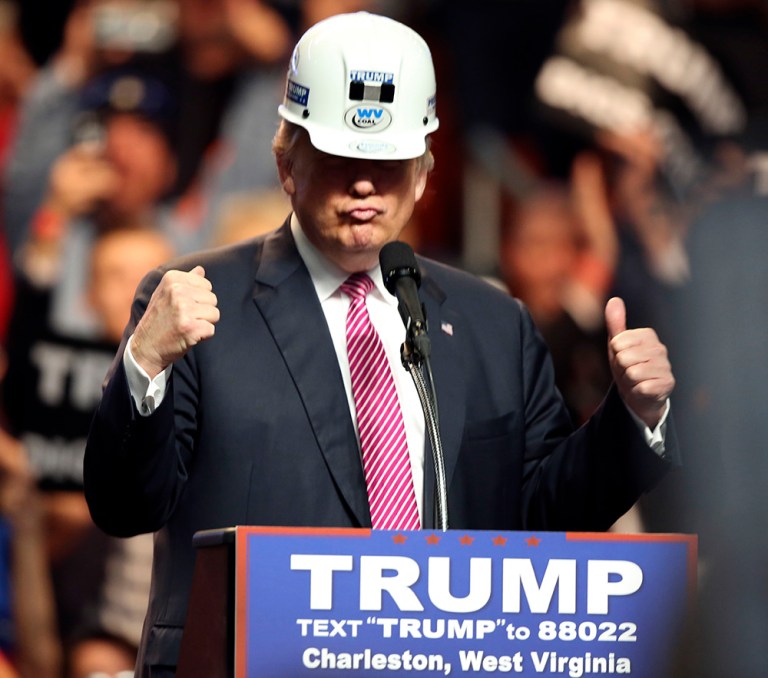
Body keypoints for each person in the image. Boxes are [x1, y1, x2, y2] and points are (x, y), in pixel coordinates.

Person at [84, 12, 679, 676]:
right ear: (287, 163)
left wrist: (635, 418)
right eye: (341, 157)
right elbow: (124, 504)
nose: (364, 183)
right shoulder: (197, 302)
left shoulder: (494, 323)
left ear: (423, 173)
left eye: (388, 161)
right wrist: (144, 364)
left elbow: (544, 514)